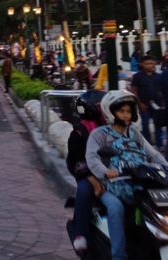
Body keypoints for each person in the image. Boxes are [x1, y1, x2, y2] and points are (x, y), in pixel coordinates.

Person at [86, 91, 168, 260]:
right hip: (111, 186)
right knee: (116, 208)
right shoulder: (99, 134)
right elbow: (92, 157)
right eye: (122, 111)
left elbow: (153, 154)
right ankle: (119, 255)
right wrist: (105, 172)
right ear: (110, 112)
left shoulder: (134, 133)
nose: (127, 115)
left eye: (129, 111)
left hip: (138, 183)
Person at [66, 90, 105, 254]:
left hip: (111, 171)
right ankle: (81, 234)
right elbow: (74, 161)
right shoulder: (79, 132)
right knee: (83, 190)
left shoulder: (110, 128)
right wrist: (90, 177)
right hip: (87, 174)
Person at [130, 55, 164, 147]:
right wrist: (139, 103)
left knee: (158, 125)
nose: (150, 65)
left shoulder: (159, 76)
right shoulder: (137, 76)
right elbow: (134, 90)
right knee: (145, 125)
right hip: (144, 105)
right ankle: (147, 145)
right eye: (147, 64)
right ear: (142, 64)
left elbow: (162, 90)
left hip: (157, 105)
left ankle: (160, 145)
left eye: (152, 63)